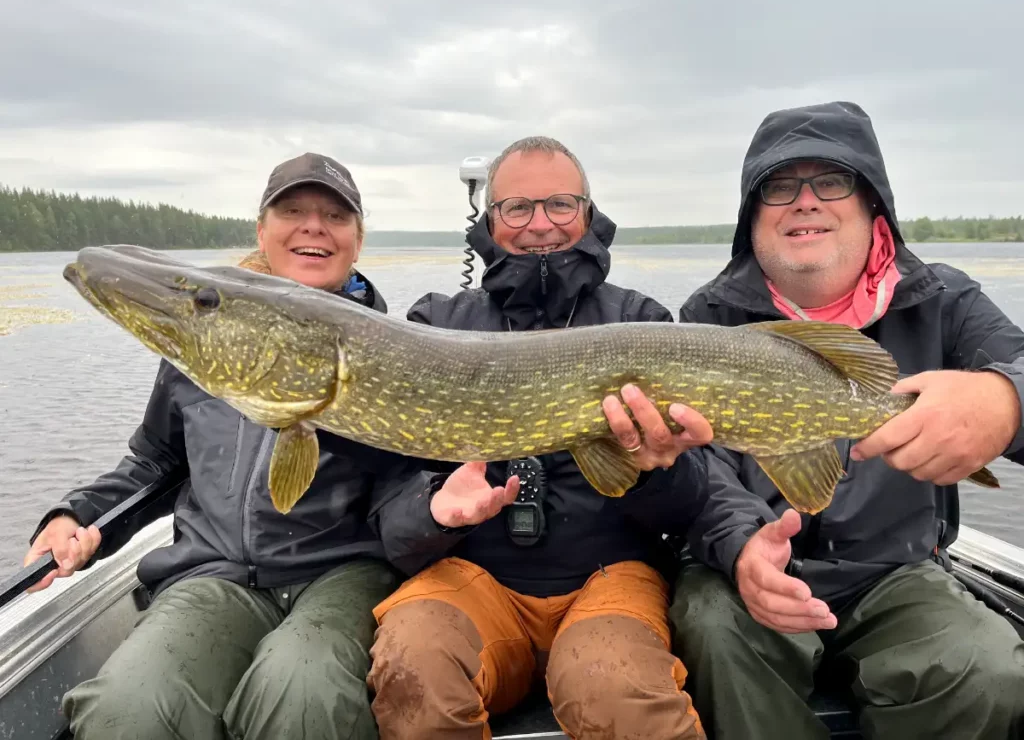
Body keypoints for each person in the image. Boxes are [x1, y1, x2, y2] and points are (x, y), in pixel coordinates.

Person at [24, 152, 424, 740]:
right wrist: (76, 514)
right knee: (125, 708)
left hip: (342, 576)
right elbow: (156, 462)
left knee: (305, 697)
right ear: (262, 232)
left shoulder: (396, 349)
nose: (314, 226)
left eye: (335, 216)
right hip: (212, 574)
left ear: (357, 242)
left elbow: (414, 491)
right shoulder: (203, 347)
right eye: (292, 211)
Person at [663, 101, 1024, 739]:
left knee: (988, 669)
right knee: (713, 631)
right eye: (778, 187)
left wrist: (1006, 400)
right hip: (742, 571)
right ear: (752, 217)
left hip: (895, 575)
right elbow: (698, 466)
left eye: (831, 180)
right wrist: (742, 545)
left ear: (872, 203)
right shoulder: (707, 319)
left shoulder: (944, 301)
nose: (805, 201)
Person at [365, 136, 715, 739]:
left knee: (617, 687)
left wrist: (656, 469)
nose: (540, 224)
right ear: (489, 220)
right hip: (470, 580)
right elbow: (390, 514)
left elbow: (689, 508)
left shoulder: (641, 322)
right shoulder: (436, 325)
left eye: (559, 204)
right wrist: (433, 512)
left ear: (588, 212)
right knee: (415, 664)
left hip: (610, 579)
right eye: (517, 207)